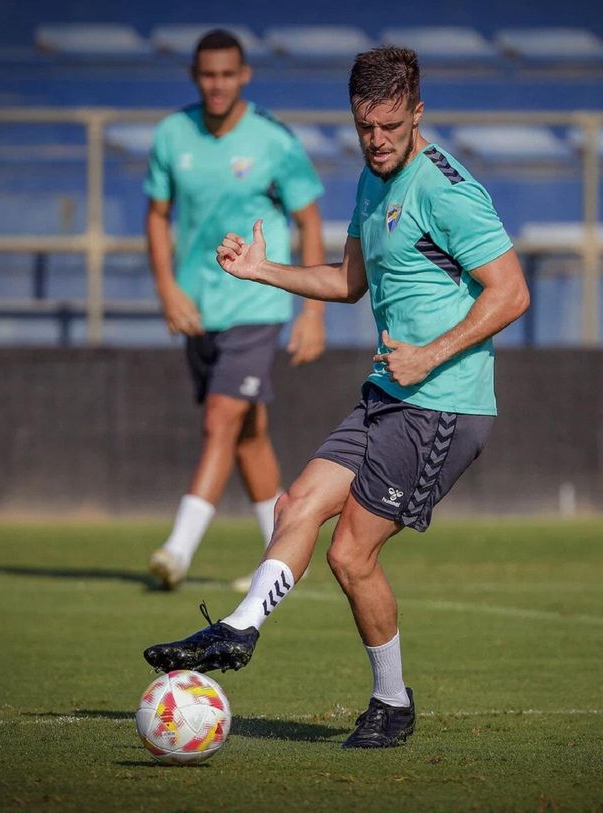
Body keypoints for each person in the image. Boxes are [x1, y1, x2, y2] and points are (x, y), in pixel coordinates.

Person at [142, 46, 530, 749]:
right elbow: (349, 280)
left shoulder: (446, 189)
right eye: (364, 128)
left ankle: (393, 703)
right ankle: (238, 628)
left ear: (417, 112)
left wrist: (430, 353)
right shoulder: (371, 179)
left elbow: (513, 291)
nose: (376, 141)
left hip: (444, 402)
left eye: (389, 126)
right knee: (296, 504)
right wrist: (265, 271)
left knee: (351, 554)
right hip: (390, 394)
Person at [144, 29, 327, 589]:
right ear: (195, 77)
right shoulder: (173, 135)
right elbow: (156, 215)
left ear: (244, 75)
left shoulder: (273, 139)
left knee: (220, 419)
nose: (217, 84)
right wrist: (169, 290)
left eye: (227, 74)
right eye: (207, 74)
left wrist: (313, 312)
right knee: (247, 434)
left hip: (257, 299)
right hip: (200, 304)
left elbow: (309, 220)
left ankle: (176, 552)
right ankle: (280, 560)